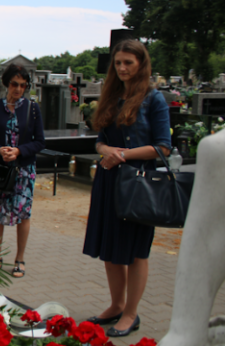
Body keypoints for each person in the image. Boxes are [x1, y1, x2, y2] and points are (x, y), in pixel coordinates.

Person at [82, 39, 171, 337]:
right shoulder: (111, 96)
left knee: (135, 252)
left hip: (138, 184)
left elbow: (163, 147)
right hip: (109, 180)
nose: (122, 68)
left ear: (141, 64)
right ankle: (116, 305)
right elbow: (100, 141)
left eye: (128, 63)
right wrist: (106, 149)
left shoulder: (154, 99)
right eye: (118, 63)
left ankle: (131, 313)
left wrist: (121, 155)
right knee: (110, 249)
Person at [0, 64, 45, 278]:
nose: (18, 89)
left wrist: (19, 151)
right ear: (7, 83)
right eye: (15, 84)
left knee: (23, 214)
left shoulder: (32, 109)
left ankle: (19, 259)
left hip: (23, 170)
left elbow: (40, 142)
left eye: (23, 85)